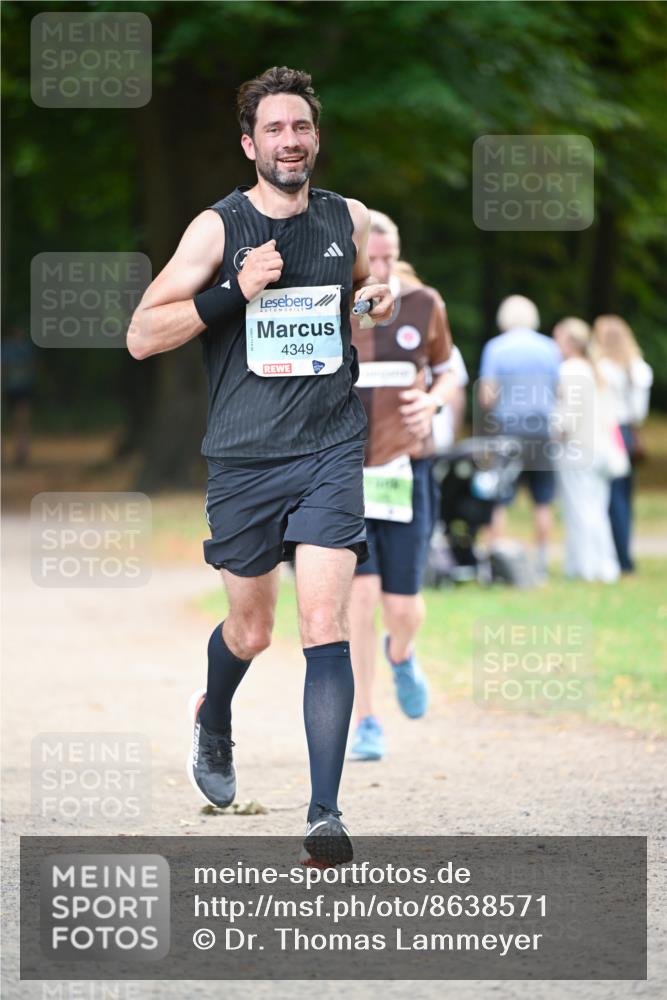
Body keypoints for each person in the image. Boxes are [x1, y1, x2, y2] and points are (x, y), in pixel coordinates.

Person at [127, 66, 393, 866]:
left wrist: (363, 306)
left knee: (325, 625)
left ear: (316, 136)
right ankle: (214, 718)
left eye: (300, 127)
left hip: (329, 449)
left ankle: (323, 815)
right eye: (273, 130)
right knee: (252, 630)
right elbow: (142, 334)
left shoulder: (350, 217)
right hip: (243, 458)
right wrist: (231, 292)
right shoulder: (218, 229)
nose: (289, 141)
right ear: (250, 144)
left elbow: (347, 303)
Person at [347, 211, 457, 761]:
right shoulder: (334, 306)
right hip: (343, 471)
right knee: (359, 594)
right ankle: (366, 718)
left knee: (403, 606)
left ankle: (402, 653)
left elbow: (451, 370)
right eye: (375, 259)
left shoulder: (423, 304)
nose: (385, 270)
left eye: (391, 258)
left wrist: (433, 402)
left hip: (405, 468)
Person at [478, 295, 562, 581]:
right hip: (541, 432)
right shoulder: (550, 347)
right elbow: (560, 390)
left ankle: (496, 561)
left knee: (499, 499)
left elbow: (487, 395)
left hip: (508, 432)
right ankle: (541, 563)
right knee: (542, 499)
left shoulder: (496, 348)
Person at [552, 317, 626, 583]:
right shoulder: (594, 370)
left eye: (558, 337)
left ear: (570, 341)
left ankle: (584, 567)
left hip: (577, 449)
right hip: (600, 448)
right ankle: (603, 566)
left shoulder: (571, 370)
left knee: (579, 510)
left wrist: (554, 432)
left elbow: (567, 415)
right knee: (596, 509)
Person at [591, 315, 653, 573]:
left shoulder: (601, 369)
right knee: (624, 497)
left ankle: (616, 557)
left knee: (611, 497)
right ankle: (624, 554)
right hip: (628, 433)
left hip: (610, 433)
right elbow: (639, 413)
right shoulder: (639, 368)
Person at [1, 324, 35, 466]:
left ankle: (21, 452)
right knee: (18, 422)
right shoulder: (11, 349)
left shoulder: (12, 349)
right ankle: (20, 452)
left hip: (20, 389)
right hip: (14, 389)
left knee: (21, 422)